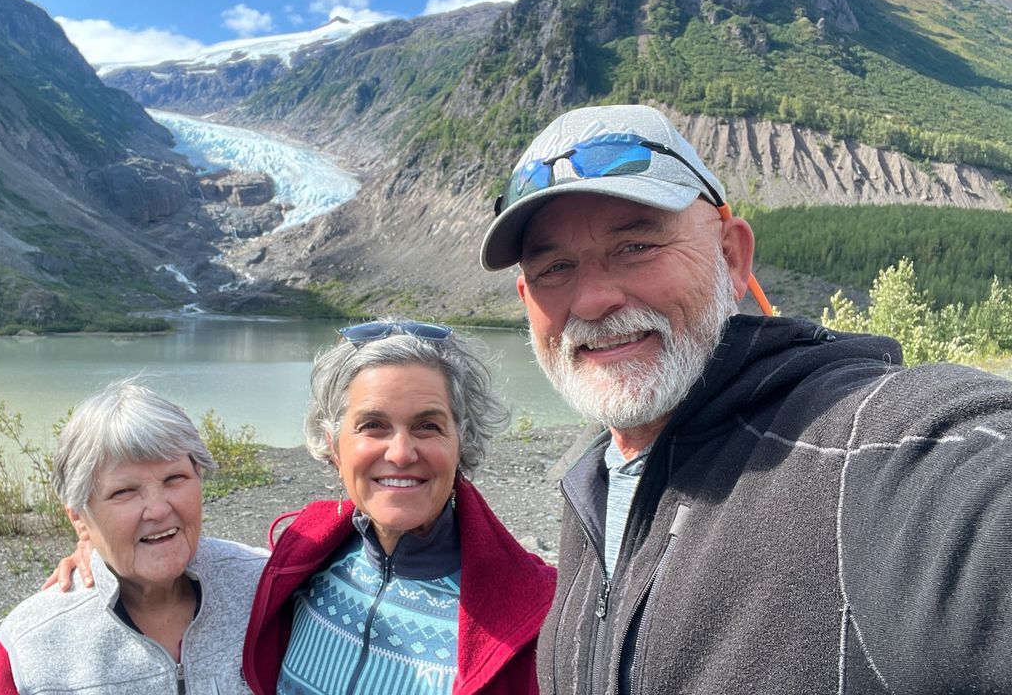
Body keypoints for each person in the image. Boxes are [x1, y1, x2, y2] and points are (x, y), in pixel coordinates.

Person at [479, 104, 1012, 694]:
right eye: (555, 267)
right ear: (527, 298)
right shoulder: (592, 482)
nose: (592, 300)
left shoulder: (857, 450)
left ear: (730, 257)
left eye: (635, 246)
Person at [241, 320, 557, 694]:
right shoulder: (303, 558)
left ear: (462, 442)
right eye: (373, 425)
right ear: (333, 446)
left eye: (428, 426)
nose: (402, 453)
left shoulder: (538, 617)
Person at [0, 378, 266, 695]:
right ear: (79, 517)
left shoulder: (267, 587)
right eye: (125, 492)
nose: (158, 510)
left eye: (175, 478)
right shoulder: (32, 645)